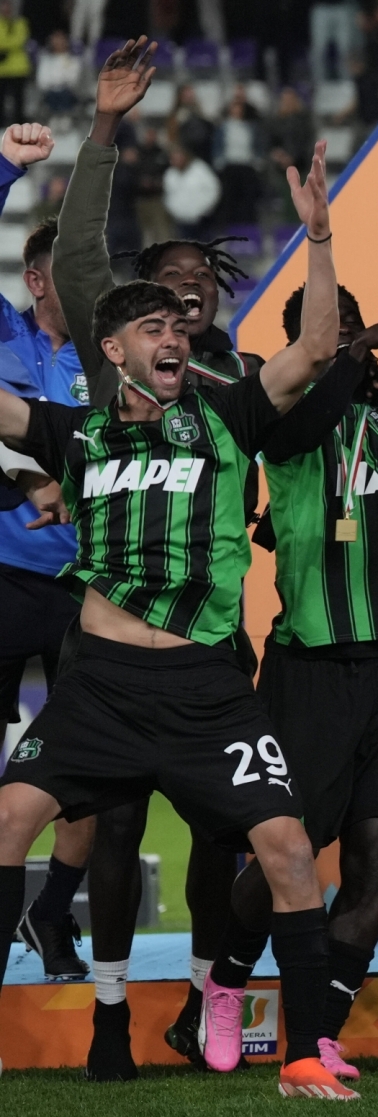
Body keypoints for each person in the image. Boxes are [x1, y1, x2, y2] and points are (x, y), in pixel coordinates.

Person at [0, 115, 355, 1099]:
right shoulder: (73, 431)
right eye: (150, 327)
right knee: (8, 819)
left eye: (177, 325)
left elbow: (319, 345)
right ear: (110, 347)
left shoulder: (229, 412)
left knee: (286, 849)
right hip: (102, 684)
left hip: (206, 684)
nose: (173, 335)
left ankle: (305, 1057)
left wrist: (319, 237)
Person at [191, 157, 378, 1083]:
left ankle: (321, 1032)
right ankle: (223, 982)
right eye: (320, 338)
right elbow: (322, 374)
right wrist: (360, 340)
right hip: (313, 666)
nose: (339, 349)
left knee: (373, 852)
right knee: (295, 850)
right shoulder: (277, 417)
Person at [1, 128, 93, 987]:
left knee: (88, 768)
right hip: (2, 579)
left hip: (85, 591)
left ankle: (53, 908)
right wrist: (7, 167)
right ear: (36, 281)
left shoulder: (112, 356)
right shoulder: (4, 333)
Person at [162, 143, 220, 240]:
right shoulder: (170, 174)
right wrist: (174, 210)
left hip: (201, 220)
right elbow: (167, 195)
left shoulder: (200, 169)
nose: (176, 160)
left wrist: (205, 208)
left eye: (178, 156)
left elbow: (214, 189)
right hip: (180, 220)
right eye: (173, 158)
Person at [36, 30, 82, 117]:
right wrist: (54, 84)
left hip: (67, 91)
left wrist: (61, 82)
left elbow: (73, 79)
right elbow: (42, 80)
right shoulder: (45, 59)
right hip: (50, 91)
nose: (58, 43)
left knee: (63, 94)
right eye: (55, 40)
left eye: (61, 40)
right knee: (53, 95)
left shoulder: (72, 60)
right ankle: (55, 118)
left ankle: (64, 118)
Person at [0, 0, 27, 124]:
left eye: (8, 6)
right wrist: (10, 44)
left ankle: (19, 124)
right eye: (3, 6)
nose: (6, 9)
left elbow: (20, 40)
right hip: (2, 70)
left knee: (19, 100)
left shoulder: (20, 22)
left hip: (18, 68)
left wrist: (5, 45)